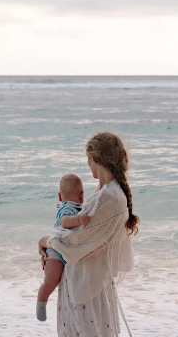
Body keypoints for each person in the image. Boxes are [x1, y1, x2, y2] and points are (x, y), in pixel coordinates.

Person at [38, 131, 138, 336]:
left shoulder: (108, 197)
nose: (88, 164)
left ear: (97, 159)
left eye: (89, 159)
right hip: (88, 281)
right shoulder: (105, 192)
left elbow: (76, 241)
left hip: (87, 286)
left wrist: (45, 241)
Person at [37, 174, 92, 321]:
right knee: (51, 280)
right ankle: (41, 302)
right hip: (55, 251)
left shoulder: (81, 208)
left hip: (66, 250)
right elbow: (65, 221)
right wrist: (78, 220)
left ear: (59, 196)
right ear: (81, 195)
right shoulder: (66, 208)